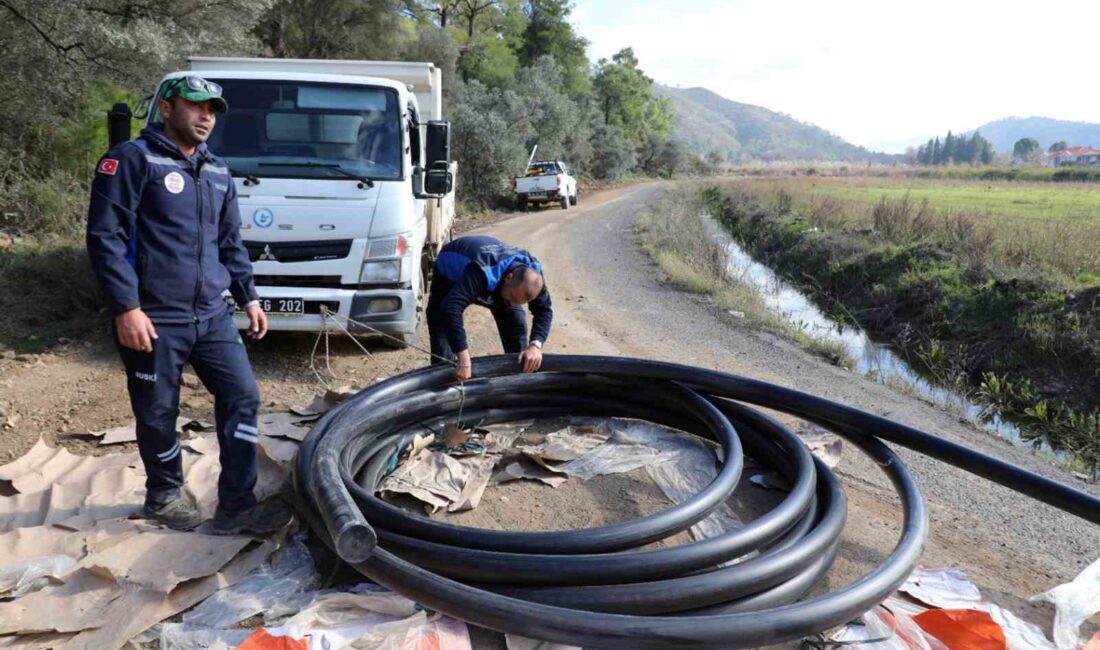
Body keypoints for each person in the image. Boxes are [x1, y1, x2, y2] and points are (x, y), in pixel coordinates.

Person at [86, 75, 290, 535]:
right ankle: (163, 496)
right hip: (153, 316)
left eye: (213, 110)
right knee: (158, 410)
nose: (206, 117)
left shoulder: (217, 171)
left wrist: (249, 297)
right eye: (196, 106)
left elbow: (230, 244)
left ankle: (236, 505)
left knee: (242, 396)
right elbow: (105, 238)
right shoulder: (131, 161)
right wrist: (126, 307)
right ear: (167, 108)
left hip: (212, 314)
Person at [427, 235, 553, 381]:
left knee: (516, 324)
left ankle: (517, 383)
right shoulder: (482, 271)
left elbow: (544, 310)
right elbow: (451, 307)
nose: (512, 304)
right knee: (441, 325)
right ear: (508, 277)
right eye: (512, 298)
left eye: (518, 302)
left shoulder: (533, 278)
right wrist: (463, 355)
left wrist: (535, 346)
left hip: (498, 281)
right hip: (451, 272)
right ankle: (444, 387)